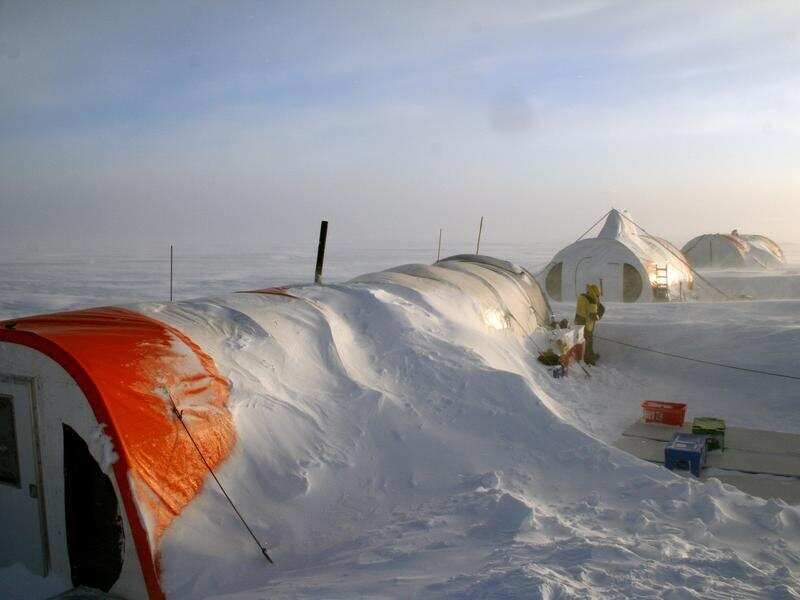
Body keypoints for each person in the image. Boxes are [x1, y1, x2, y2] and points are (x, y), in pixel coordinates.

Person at [575, 283, 605, 365]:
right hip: (587, 324)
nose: (598, 297)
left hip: (578, 320)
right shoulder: (592, 300)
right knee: (588, 341)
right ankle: (588, 358)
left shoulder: (582, 297)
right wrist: (597, 316)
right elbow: (593, 315)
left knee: (582, 340)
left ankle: (588, 355)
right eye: (598, 295)